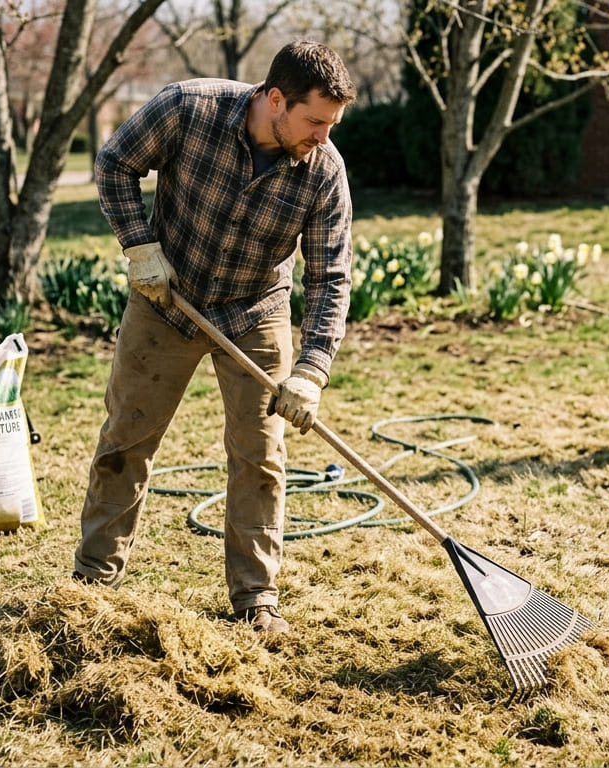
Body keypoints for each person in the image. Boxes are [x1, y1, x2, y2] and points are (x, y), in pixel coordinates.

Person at [72, 41, 357, 635]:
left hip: (255, 313)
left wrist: (312, 369)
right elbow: (114, 163)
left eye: (332, 125)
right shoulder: (187, 109)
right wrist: (138, 245)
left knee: (261, 456)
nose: (323, 138)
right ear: (275, 99)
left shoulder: (324, 170)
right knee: (127, 437)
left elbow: (330, 276)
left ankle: (256, 597)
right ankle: (92, 581)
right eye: (314, 122)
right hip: (165, 300)